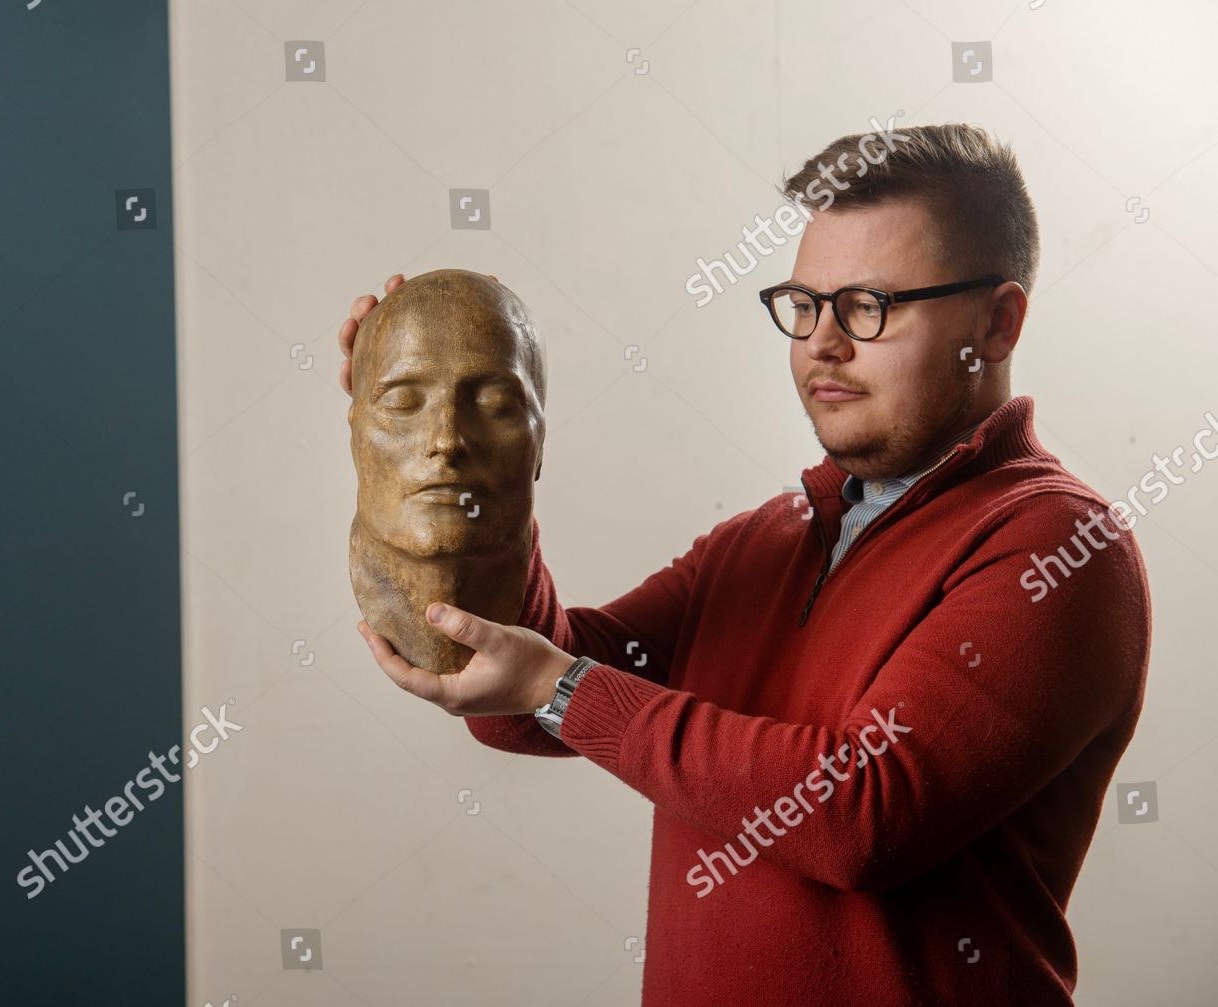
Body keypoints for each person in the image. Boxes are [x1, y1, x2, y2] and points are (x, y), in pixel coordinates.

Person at [338, 124, 1151, 1006]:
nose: (823, 344)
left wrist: (560, 686)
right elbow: (520, 692)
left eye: (869, 304)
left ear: (997, 324)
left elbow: (860, 816)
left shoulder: (1059, 547)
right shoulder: (765, 539)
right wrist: (473, 438)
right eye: (805, 303)